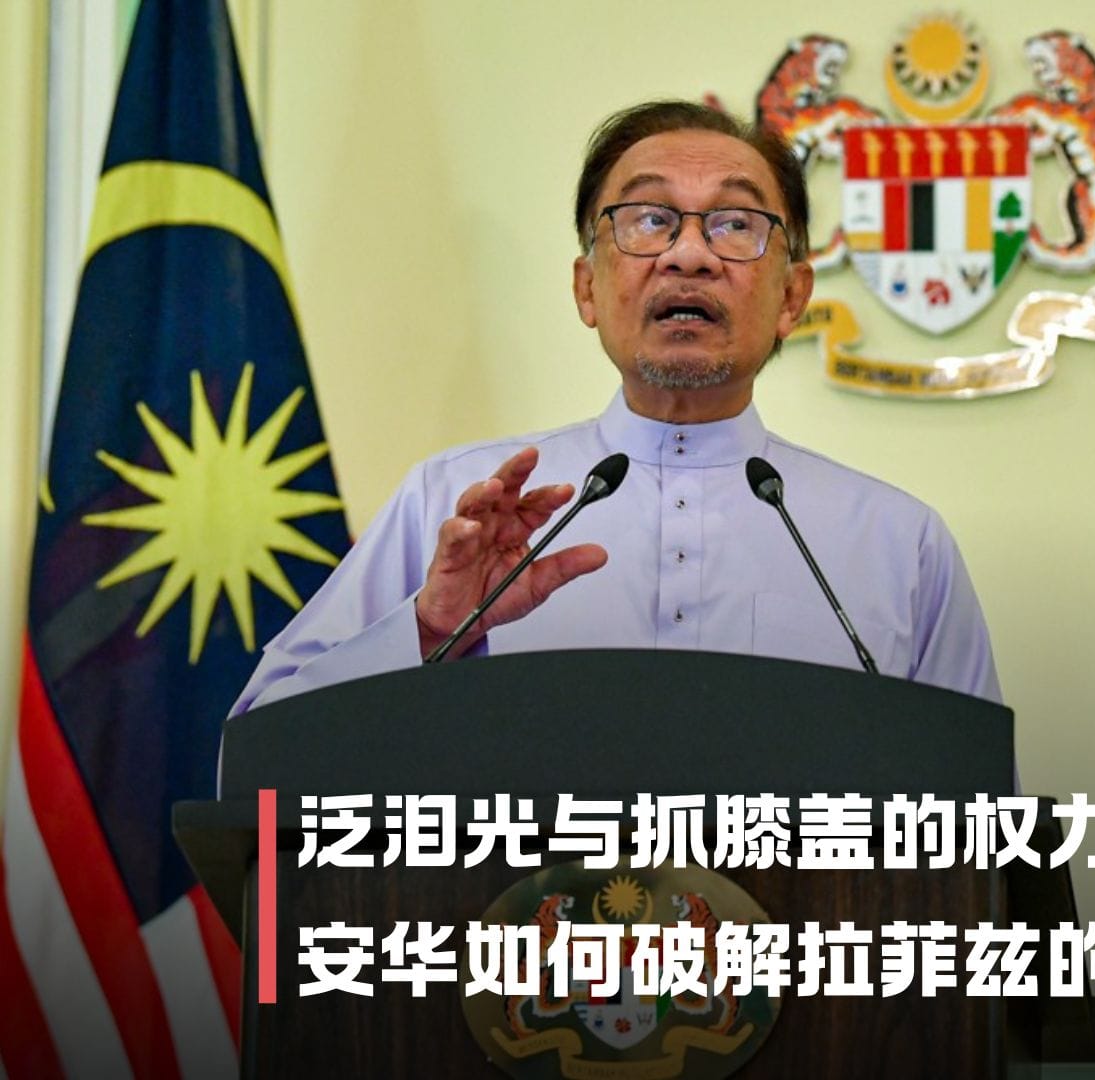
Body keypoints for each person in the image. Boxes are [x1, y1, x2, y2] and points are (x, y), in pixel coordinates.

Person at [232, 101, 999, 714]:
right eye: (649, 220)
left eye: (735, 224)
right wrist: (431, 626)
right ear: (587, 288)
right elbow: (258, 745)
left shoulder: (899, 544)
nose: (689, 255)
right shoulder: (451, 504)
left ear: (792, 297)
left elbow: (977, 822)